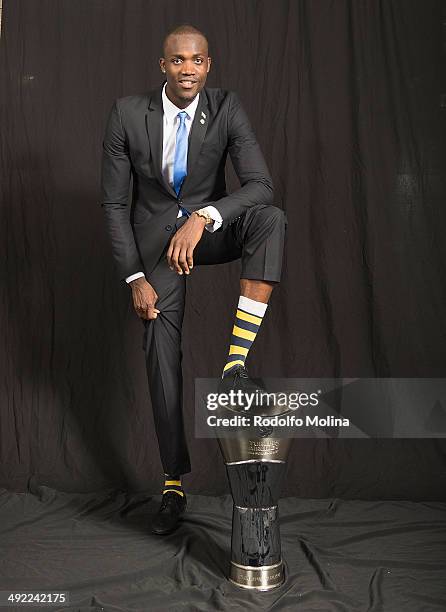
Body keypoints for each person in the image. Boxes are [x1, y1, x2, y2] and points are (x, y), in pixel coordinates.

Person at [101, 24, 286, 535]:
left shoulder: (226, 107)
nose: (189, 69)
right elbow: (116, 205)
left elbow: (260, 185)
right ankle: (172, 482)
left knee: (271, 218)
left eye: (198, 61)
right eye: (179, 61)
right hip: (156, 246)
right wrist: (135, 276)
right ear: (163, 65)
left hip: (206, 230)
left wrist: (204, 217)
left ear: (209, 65)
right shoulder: (127, 113)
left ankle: (235, 361)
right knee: (161, 352)